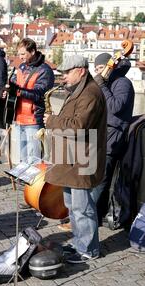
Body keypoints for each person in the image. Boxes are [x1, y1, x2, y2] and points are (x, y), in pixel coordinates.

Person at [43, 55, 106, 264]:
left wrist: (52, 120)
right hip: (73, 159)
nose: (64, 77)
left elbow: (79, 126)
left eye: (67, 73)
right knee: (73, 206)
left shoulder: (90, 93)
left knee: (83, 208)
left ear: (81, 71)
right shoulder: (79, 90)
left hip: (83, 158)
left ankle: (88, 249)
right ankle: (80, 243)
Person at [93, 53, 135, 225]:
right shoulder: (108, 83)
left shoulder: (123, 83)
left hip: (113, 137)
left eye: (101, 68)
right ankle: (95, 215)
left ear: (110, 66)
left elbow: (115, 107)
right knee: (96, 180)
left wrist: (101, 87)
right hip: (103, 134)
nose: (99, 73)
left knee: (101, 182)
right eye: (96, 70)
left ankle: (93, 218)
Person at [9, 38, 55, 164]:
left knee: (34, 159)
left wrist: (18, 91)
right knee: (22, 159)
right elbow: (13, 82)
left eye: (23, 54)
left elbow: (39, 94)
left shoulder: (44, 70)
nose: (20, 57)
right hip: (18, 117)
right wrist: (6, 89)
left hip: (34, 119)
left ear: (33, 51)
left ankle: (34, 183)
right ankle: (24, 183)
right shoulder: (21, 67)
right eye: (19, 54)